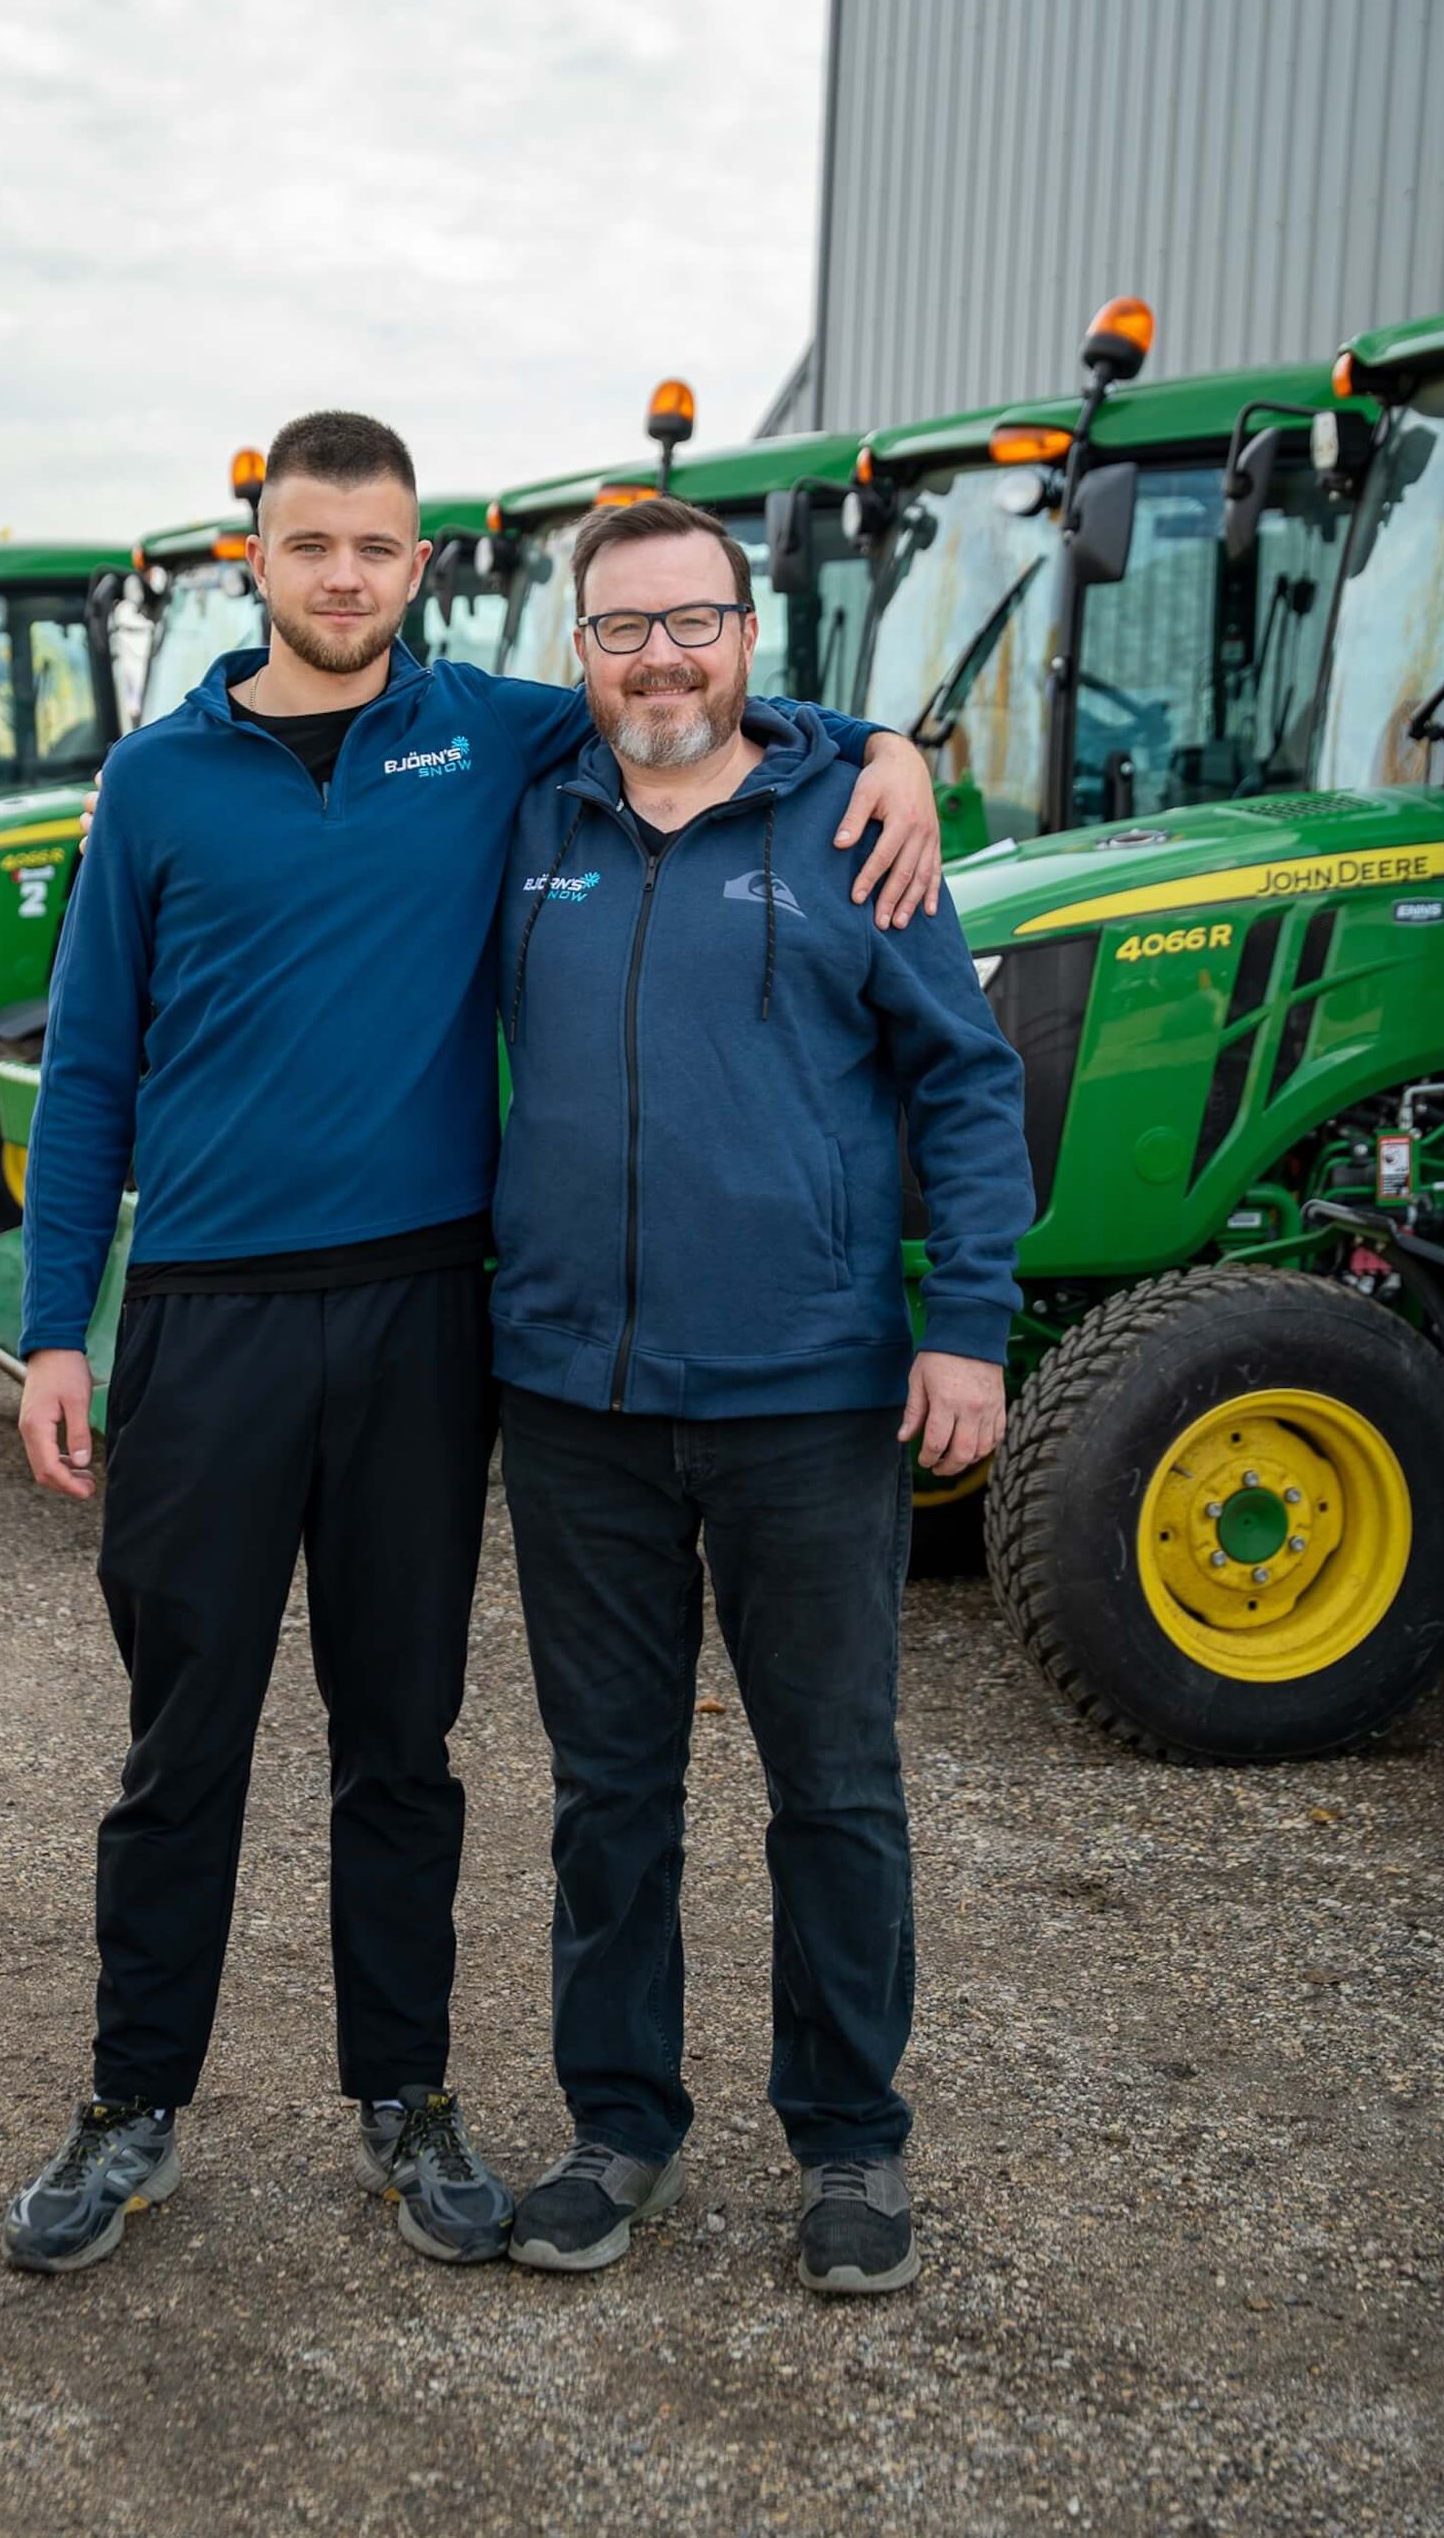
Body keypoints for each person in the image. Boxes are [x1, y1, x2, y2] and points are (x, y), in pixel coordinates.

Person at [2, 414, 945, 2276]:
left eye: (376, 547)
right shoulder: (156, 784)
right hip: (203, 1320)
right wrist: (57, 1332)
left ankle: (408, 2100)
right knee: (180, 1738)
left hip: (430, 1312)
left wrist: (888, 746)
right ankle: (131, 2110)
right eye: (307, 546)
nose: (342, 577)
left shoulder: (490, 731)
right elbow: (91, 1067)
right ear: (248, 559)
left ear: (419, 564)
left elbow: (694, 705)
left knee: (403, 1741)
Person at [491, 493, 1033, 2295]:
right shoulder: (523, 820)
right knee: (607, 1787)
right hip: (572, 1396)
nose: (662, 655)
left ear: (750, 632)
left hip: (807, 1397)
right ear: (579, 651)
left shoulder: (854, 824)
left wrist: (968, 1321)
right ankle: (619, 2125)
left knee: (835, 1782)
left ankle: (853, 2146)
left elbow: (963, 1082)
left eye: (694, 621)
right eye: (625, 627)